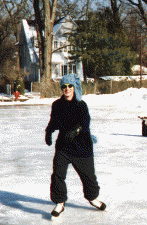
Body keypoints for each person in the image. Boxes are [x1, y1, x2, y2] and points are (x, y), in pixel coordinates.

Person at [45, 74, 106, 217]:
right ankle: (60, 202)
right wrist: (48, 131)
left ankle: (92, 198)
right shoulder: (57, 105)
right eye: (64, 86)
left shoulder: (81, 105)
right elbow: (53, 121)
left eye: (70, 86)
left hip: (82, 147)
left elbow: (85, 123)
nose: (67, 89)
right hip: (64, 147)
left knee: (88, 177)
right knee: (57, 175)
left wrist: (76, 131)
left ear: (74, 87)